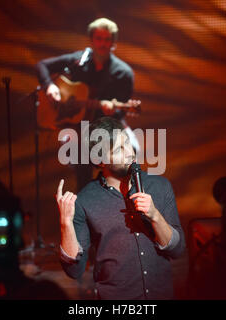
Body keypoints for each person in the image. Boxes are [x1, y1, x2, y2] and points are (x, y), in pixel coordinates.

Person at [55, 117, 185, 300]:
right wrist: (65, 223)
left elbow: (177, 250)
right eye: (119, 149)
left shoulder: (160, 186)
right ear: (99, 160)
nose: (130, 153)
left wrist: (155, 216)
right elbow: (74, 270)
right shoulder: (85, 200)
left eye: (127, 143)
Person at [35, 17, 140, 191]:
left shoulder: (123, 73)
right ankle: (85, 202)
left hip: (108, 126)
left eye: (107, 39)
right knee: (78, 149)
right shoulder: (78, 60)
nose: (103, 44)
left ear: (113, 43)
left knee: (132, 149)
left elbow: (121, 113)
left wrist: (111, 112)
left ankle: (122, 198)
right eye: (99, 38)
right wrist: (49, 86)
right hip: (78, 126)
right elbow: (42, 66)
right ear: (91, 40)